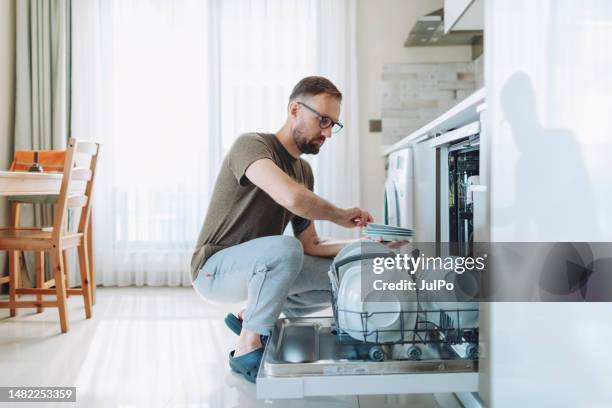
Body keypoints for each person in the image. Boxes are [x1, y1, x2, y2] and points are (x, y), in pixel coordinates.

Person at [191, 76, 372, 383]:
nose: (327, 132)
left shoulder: (303, 170)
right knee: (286, 248)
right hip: (214, 270)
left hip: (259, 268)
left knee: (342, 272)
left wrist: (365, 245)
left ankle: (251, 316)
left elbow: (312, 244)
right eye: (323, 120)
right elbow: (293, 198)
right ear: (294, 110)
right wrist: (340, 215)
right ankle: (247, 347)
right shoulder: (251, 145)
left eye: (333, 125)